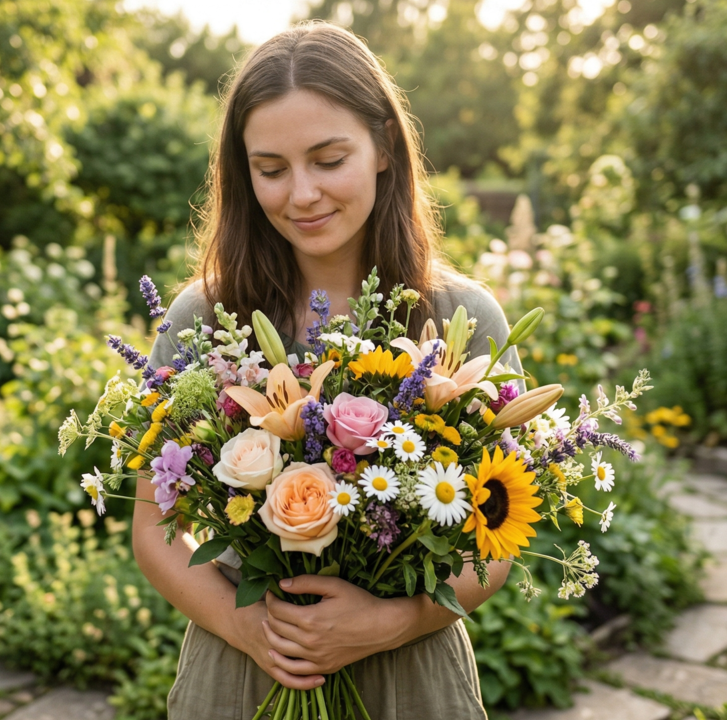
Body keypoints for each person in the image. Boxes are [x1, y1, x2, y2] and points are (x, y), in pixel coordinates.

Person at [139, 21, 520, 719]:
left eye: (328, 158)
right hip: (243, 670)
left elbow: (499, 543)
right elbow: (152, 530)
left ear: (380, 145)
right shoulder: (199, 320)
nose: (302, 194)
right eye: (272, 169)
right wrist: (248, 627)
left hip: (409, 676)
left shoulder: (463, 318)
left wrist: (393, 620)